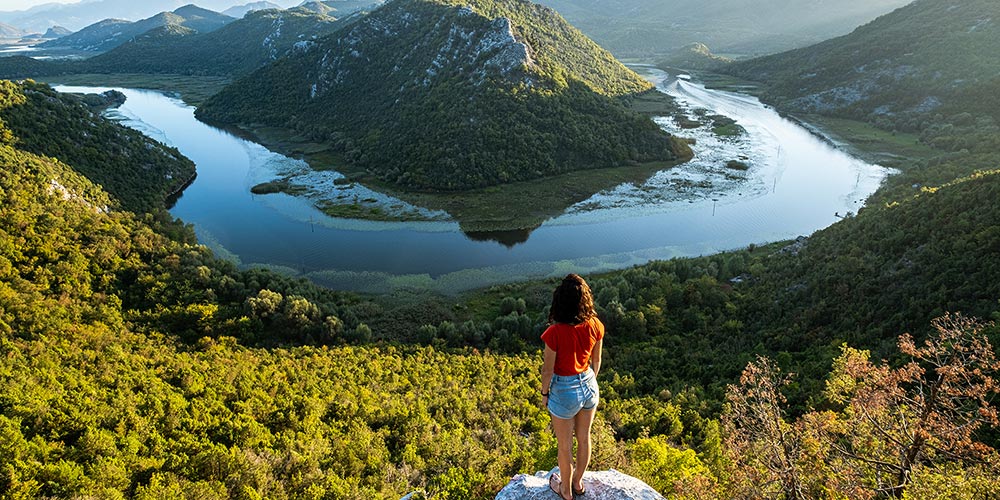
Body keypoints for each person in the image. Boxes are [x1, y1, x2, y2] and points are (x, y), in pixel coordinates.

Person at [540, 274, 604, 500]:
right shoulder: (596, 325)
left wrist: (545, 393)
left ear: (560, 301)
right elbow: (596, 362)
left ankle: (565, 491)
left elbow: (548, 371)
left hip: (565, 391)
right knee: (584, 438)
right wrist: (589, 380)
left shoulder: (554, 333)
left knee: (564, 446)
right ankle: (578, 483)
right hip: (588, 384)